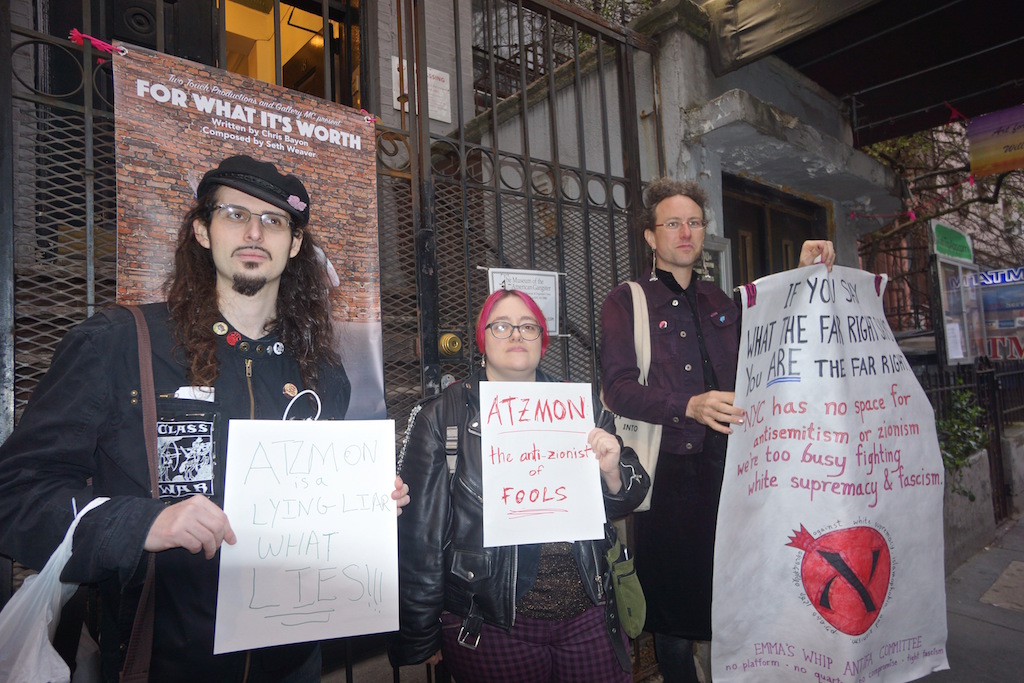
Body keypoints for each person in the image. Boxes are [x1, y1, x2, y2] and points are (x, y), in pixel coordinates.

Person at [0, 155, 409, 682]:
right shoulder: (119, 344)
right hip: (159, 660)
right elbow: (15, 494)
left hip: (290, 661)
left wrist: (365, 504)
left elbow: (313, 512)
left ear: (296, 243)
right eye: (235, 213)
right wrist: (140, 521)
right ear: (202, 229)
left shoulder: (322, 375)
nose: (255, 231)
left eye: (274, 220)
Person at [599, 177, 834, 683]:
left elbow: (774, 339)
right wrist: (690, 404)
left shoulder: (722, 300)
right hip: (669, 480)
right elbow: (617, 389)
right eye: (672, 223)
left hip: (737, 476)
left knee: (739, 597)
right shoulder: (626, 301)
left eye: (694, 222)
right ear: (650, 236)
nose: (685, 232)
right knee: (677, 620)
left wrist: (804, 271)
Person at [388, 289, 650, 683]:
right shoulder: (443, 416)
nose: (516, 335)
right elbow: (421, 538)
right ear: (483, 338)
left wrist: (612, 471)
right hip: (493, 624)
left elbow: (625, 499)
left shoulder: (579, 408)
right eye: (502, 326)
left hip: (588, 615)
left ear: (542, 341)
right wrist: (422, 635)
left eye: (528, 327)